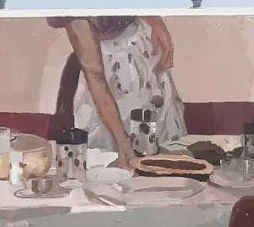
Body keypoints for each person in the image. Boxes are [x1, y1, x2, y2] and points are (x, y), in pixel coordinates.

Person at [47, 15, 186, 166]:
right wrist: (123, 142)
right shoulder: (75, 11)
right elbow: (95, 76)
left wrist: (157, 24)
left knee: (160, 153)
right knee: (117, 160)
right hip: (108, 84)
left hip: (144, 60)